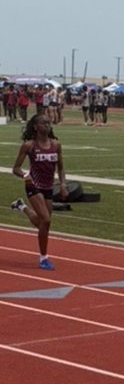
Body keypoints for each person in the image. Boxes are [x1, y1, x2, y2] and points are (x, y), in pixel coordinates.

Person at [10, 113, 68, 270]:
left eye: (49, 123)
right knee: (46, 220)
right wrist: (25, 175)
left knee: (43, 223)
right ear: (35, 127)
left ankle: (22, 207)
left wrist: (62, 184)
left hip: (49, 187)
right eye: (44, 123)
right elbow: (15, 168)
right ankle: (44, 258)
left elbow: (61, 168)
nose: (47, 126)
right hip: (33, 185)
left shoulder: (56, 145)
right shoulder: (29, 146)